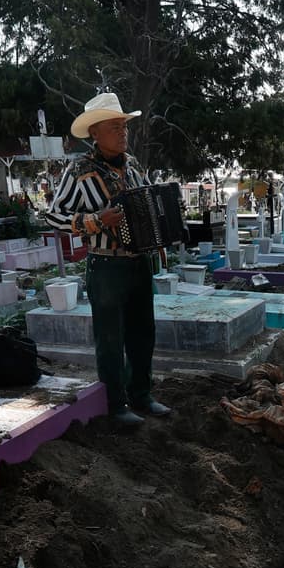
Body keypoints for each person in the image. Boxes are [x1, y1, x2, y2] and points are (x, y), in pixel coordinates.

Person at [45, 92, 170, 425]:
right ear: (95, 133)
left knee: (143, 333)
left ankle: (141, 395)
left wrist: (162, 224)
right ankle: (116, 405)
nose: (122, 132)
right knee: (110, 339)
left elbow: (148, 201)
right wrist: (95, 220)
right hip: (106, 265)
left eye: (123, 126)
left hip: (138, 263)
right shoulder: (79, 170)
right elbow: (54, 216)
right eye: (114, 127)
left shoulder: (134, 165)